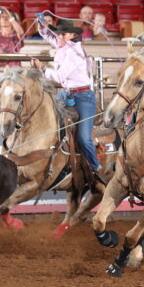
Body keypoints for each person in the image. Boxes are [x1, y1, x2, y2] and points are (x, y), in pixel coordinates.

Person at [32, 17, 101, 175]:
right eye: (58, 35)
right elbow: (49, 36)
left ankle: (96, 167)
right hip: (68, 94)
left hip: (84, 97)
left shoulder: (74, 53)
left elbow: (59, 77)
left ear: (71, 35)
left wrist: (42, 68)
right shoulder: (64, 46)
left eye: (63, 35)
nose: (59, 38)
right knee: (45, 111)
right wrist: (42, 26)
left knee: (84, 137)